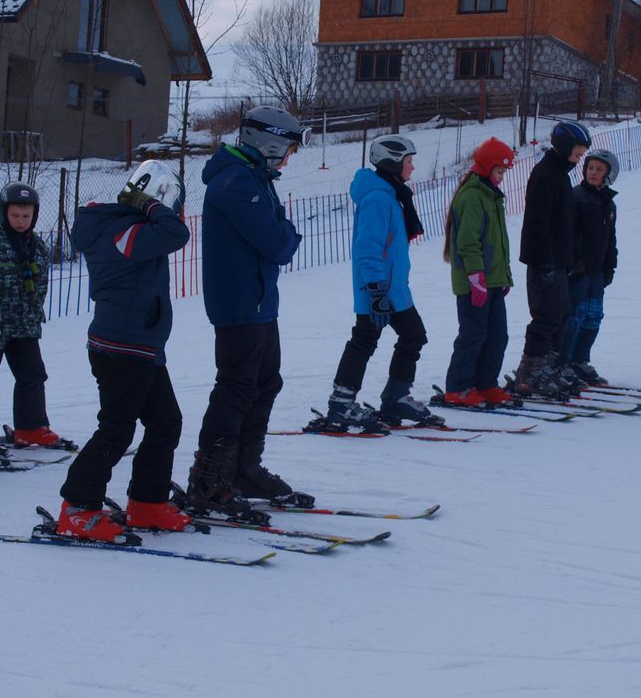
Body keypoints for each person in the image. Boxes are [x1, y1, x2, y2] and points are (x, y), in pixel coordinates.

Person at [55, 161, 193, 542]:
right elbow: (176, 233)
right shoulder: (123, 231)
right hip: (122, 348)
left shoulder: (123, 227)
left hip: (141, 345)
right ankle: (77, 508)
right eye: (172, 201)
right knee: (116, 430)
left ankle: (147, 502)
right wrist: (152, 206)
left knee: (166, 422)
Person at [186, 106, 307, 521]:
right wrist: (286, 232)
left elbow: (277, 237)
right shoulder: (236, 182)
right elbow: (278, 243)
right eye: (288, 150)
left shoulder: (254, 178)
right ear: (269, 144)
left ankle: (243, 469)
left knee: (265, 381)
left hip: (258, 301)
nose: (289, 159)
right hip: (239, 304)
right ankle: (209, 479)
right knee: (237, 387)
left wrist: (283, 232)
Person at [321, 134, 440, 428]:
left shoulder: (391, 194)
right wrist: (376, 290)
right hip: (377, 290)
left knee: (413, 335)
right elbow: (367, 249)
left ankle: (396, 398)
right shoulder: (377, 198)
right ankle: (341, 403)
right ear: (392, 163)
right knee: (365, 339)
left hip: (395, 289)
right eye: (408, 162)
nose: (412, 168)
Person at [0, 181, 70, 449]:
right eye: (14, 215)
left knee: (33, 375)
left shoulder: (36, 245)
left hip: (25, 325)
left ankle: (31, 427)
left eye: (26, 216)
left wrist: (35, 311)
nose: (20, 221)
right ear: (4, 213)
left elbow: (42, 283)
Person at [512, 119, 591, 396]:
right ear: (565, 146)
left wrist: (570, 258)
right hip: (544, 261)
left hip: (559, 260)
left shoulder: (560, 174)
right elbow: (537, 222)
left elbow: (564, 223)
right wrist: (544, 261)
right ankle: (531, 372)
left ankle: (549, 366)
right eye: (579, 151)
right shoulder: (546, 175)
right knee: (545, 317)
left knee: (561, 316)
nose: (581, 157)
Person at [441, 137, 515, 407]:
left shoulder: (492, 195)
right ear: (485, 168)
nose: (502, 177)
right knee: (474, 334)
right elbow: (469, 242)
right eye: (499, 171)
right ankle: (458, 387)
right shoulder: (473, 196)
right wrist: (476, 277)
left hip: (492, 279)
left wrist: (504, 275)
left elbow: (499, 242)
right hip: (474, 281)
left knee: (498, 334)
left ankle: (486, 383)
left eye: (504, 172)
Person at [559, 148, 620, 385]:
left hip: (597, 271)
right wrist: (573, 262)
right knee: (575, 316)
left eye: (599, 169)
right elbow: (567, 234)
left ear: (609, 175)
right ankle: (564, 363)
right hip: (578, 270)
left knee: (594, 316)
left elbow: (611, 238)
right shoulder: (576, 197)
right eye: (590, 168)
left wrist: (610, 266)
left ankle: (580, 361)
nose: (593, 173)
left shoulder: (609, 204)